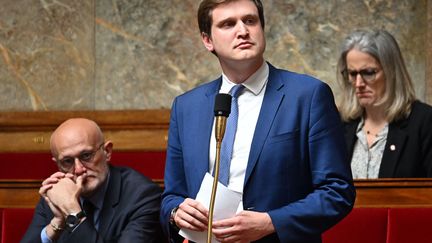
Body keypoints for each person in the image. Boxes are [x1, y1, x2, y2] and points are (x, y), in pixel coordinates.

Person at [161, 0, 355, 242]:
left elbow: (337, 192)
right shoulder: (186, 107)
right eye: (228, 24)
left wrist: (271, 222)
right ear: (207, 40)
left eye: (250, 20)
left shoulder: (308, 96)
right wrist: (176, 213)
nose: (242, 30)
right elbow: (171, 196)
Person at [22, 118, 164, 243]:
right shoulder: (57, 195)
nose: (78, 169)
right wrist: (56, 224)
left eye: (86, 156)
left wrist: (73, 213)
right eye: (67, 161)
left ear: (107, 152)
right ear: (58, 165)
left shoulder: (143, 196)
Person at [336, 29, 432, 179]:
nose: (359, 83)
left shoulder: (424, 122)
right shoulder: (340, 123)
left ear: (392, 71)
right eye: (353, 74)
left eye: (368, 72)